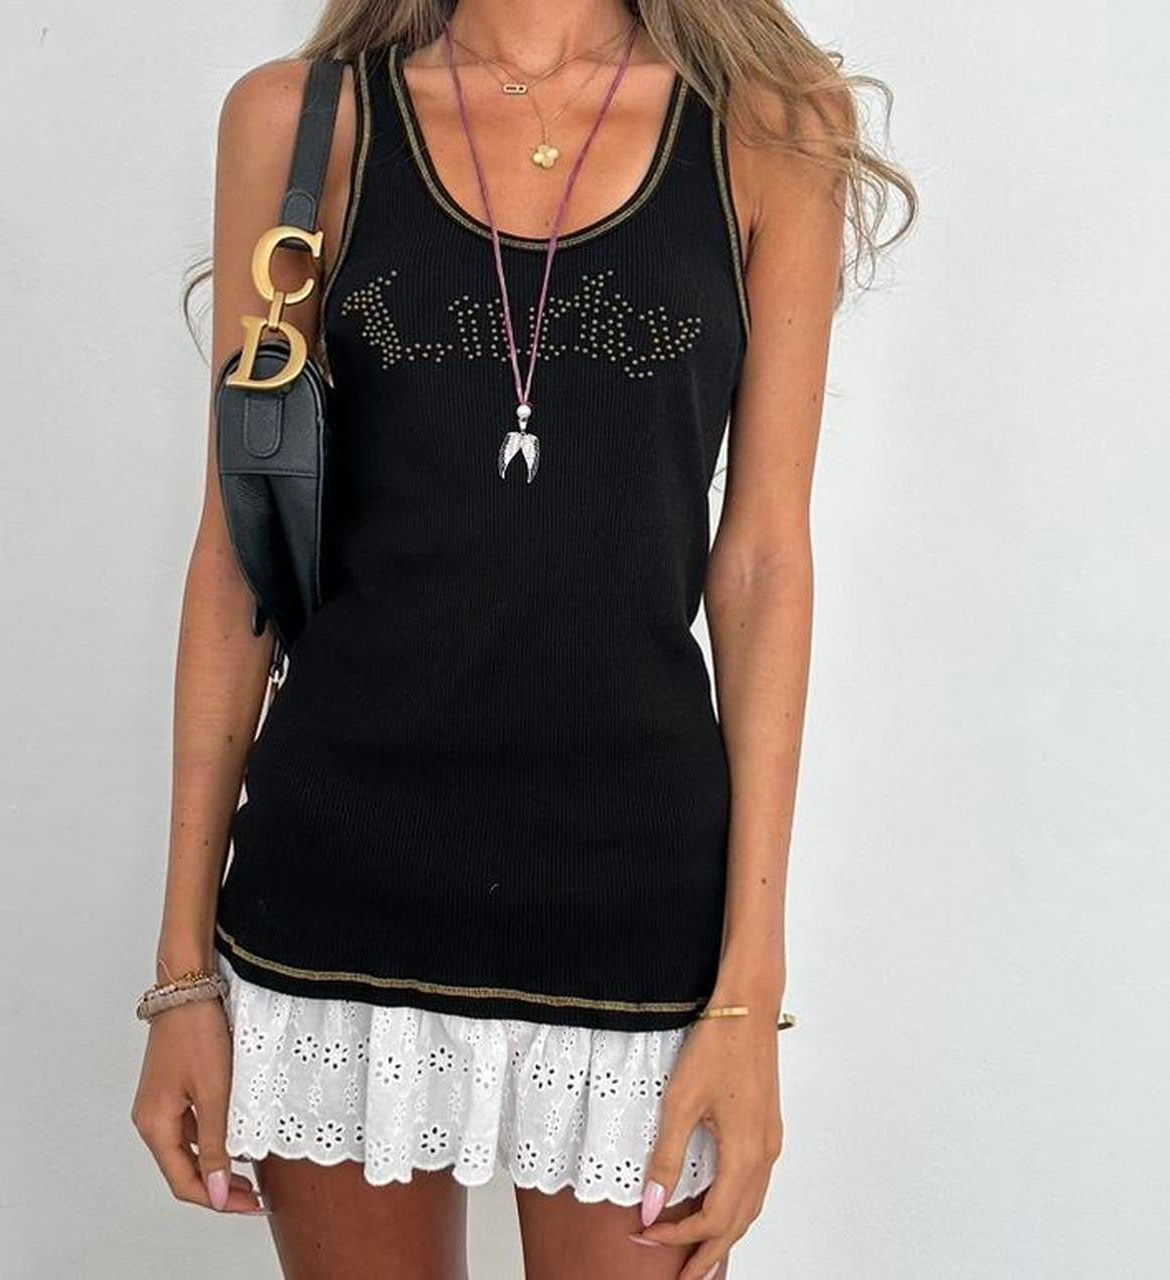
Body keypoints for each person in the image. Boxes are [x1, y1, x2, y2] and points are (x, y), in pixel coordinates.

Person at [131, 1, 914, 1276]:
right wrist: (183, 978)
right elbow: (236, 557)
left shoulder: (768, 124)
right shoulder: (303, 120)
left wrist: (745, 993)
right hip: (334, 891)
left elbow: (763, 560)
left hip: (637, 897)